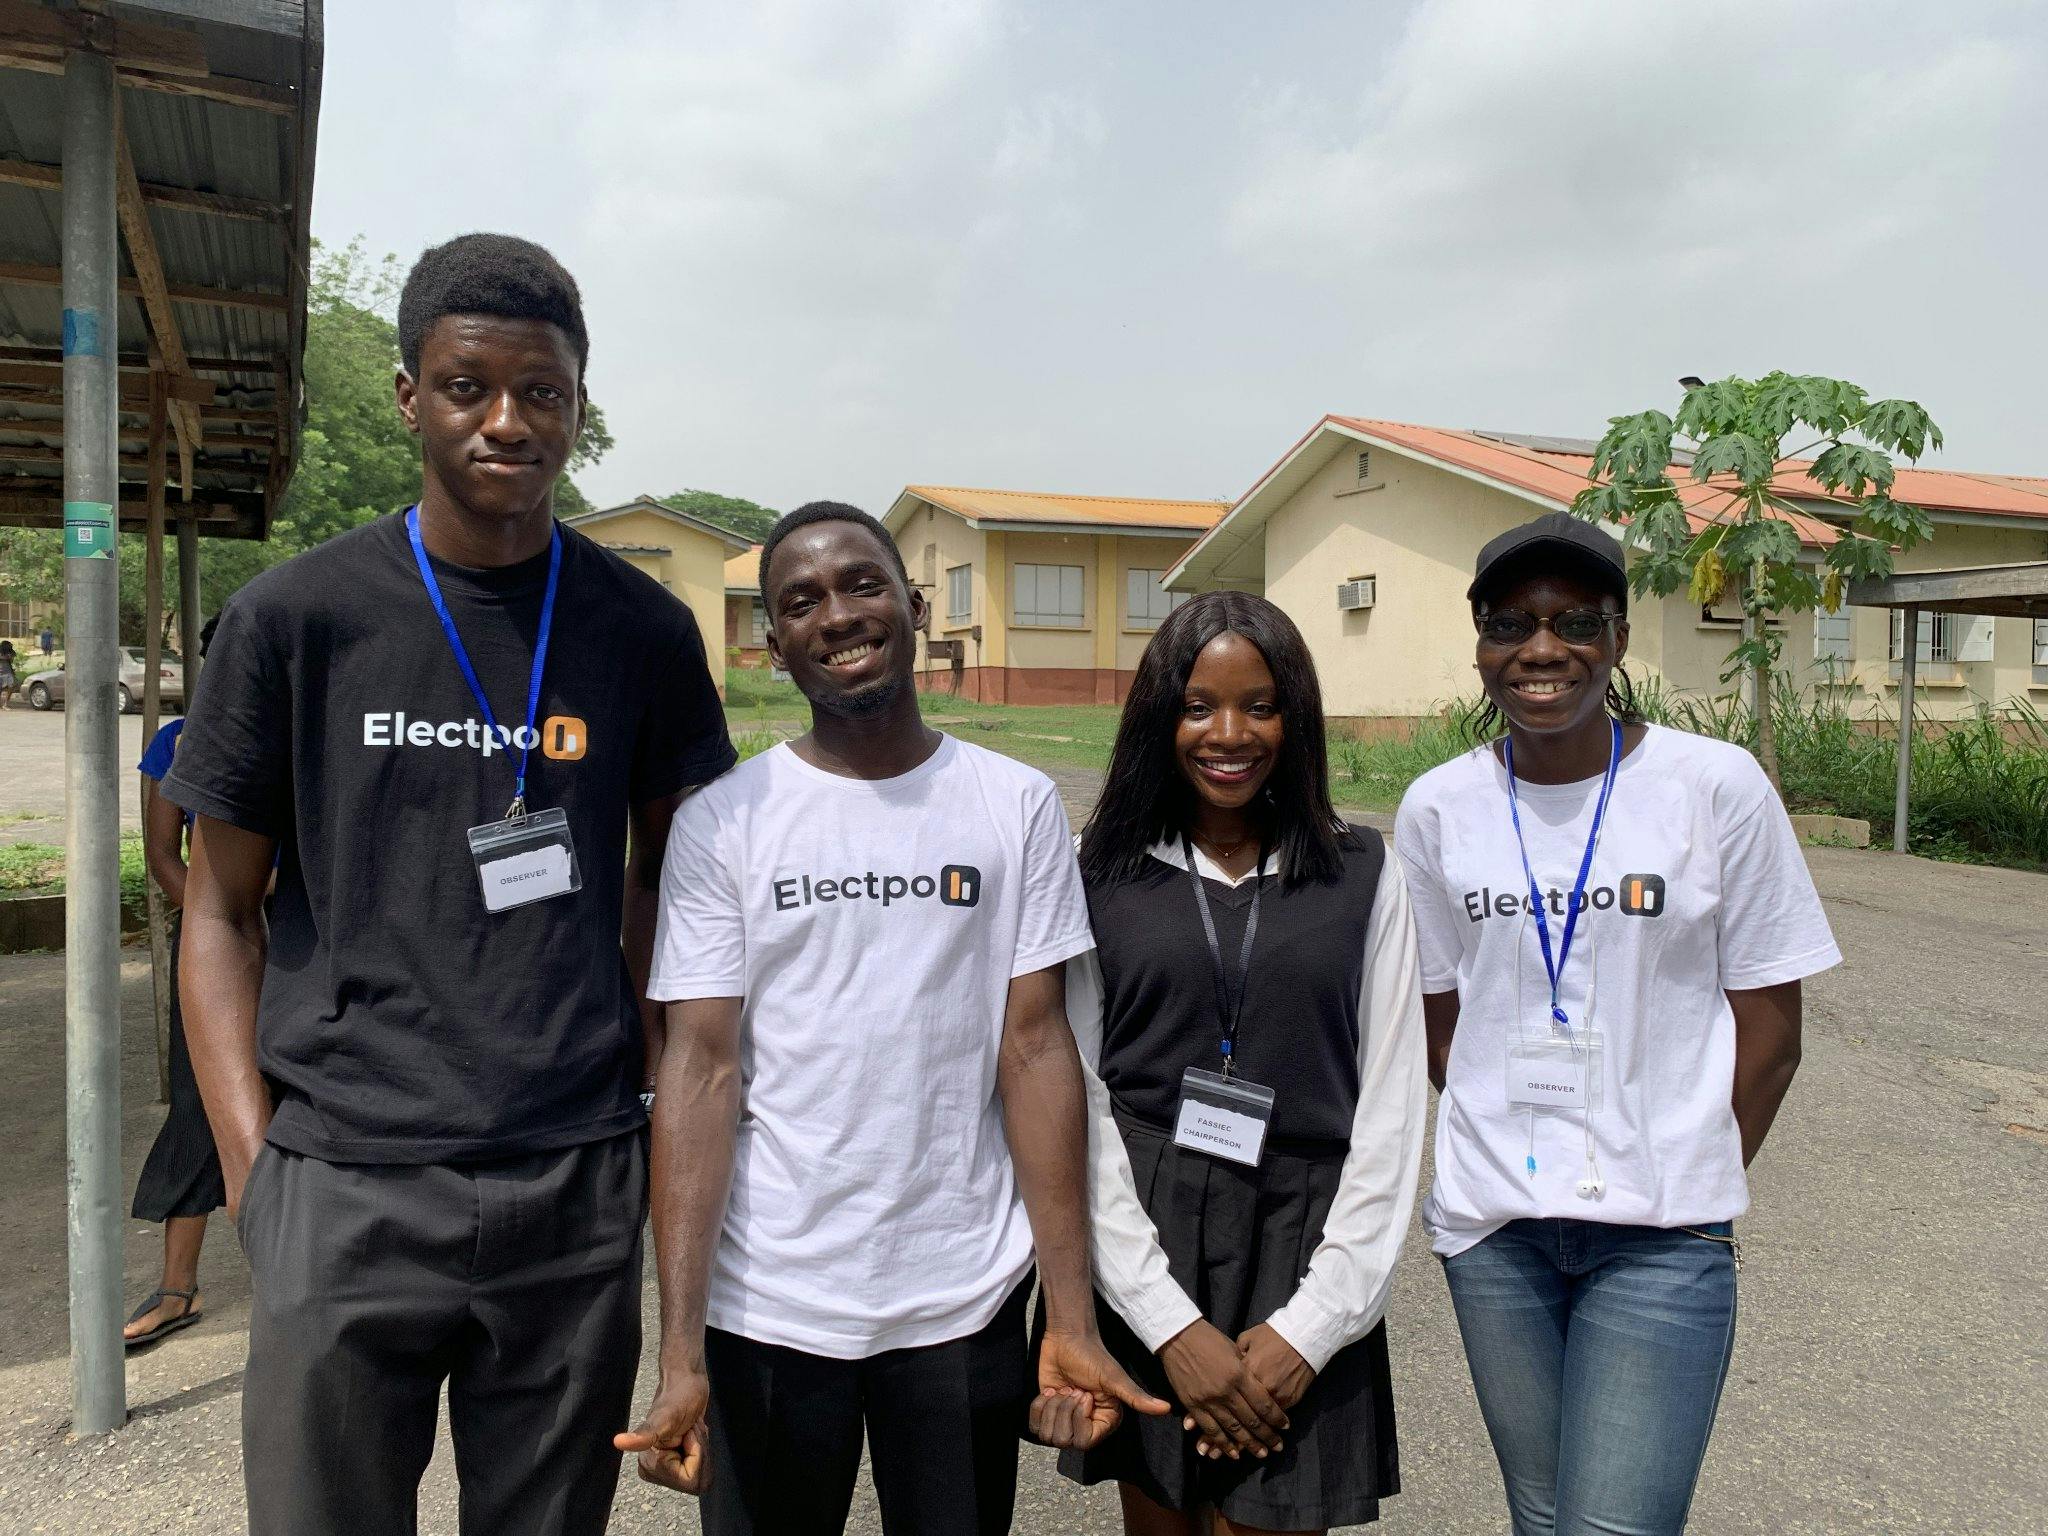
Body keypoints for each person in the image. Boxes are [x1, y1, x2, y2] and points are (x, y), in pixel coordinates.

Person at [166, 233, 736, 1536]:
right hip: (348, 1180)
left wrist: (646, 1105)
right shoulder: (297, 619)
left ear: (579, 408)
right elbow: (216, 910)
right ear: (409, 391)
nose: (507, 421)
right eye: (470, 385)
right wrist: (262, 1177)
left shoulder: (641, 633)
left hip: (572, 1191)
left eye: (544, 394)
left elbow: (678, 893)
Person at [618, 501, 1168, 1535]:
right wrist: (680, 1352)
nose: (836, 613)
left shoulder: (1013, 804)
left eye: (862, 584)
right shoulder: (723, 823)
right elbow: (698, 1073)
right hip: (767, 1304)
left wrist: (1071, 1313)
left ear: (912, 608)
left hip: (959, 1301)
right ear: (773, 644)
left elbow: (1036, 1048)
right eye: (800, 601)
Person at [1393, 512, 1840, 1536]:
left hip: (1659, 1240)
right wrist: (1512, 1131)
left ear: (1618, 639)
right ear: (1479, 645)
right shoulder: (1435, 809)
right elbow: (1438, 1018)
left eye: (1573, 622)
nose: (1540, 649)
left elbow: (1771, 1028)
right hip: (1495, 1232)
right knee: (1542, 1513)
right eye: (1509, 624)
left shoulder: (1709, 788)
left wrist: (1682, 1169)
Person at [1058, 592, 1426, 1535]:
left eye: (1260, 705)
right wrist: (1166, 1324)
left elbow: (1390, 1111)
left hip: (1304, 1251)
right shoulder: (1096, 871)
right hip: (1147, 1249)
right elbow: (1080, 1102)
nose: (1230, 733)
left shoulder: (1363, 875)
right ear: (1157, 719)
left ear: (1295, 716)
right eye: (1197, 706)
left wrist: (1311, 1329)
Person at [124, 615, 224, 1347]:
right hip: (217, 941)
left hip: (310, 943)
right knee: (202, 1103)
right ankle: (176, 1287)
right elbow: (163, 857)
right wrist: (223, 931)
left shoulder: (310, 730)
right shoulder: (176, 742)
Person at [0, 638, 17, 710]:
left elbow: (11, 658)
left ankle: (5, 704)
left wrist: (8, 657)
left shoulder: (10, 652)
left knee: (11, 686)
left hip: (8, 672)